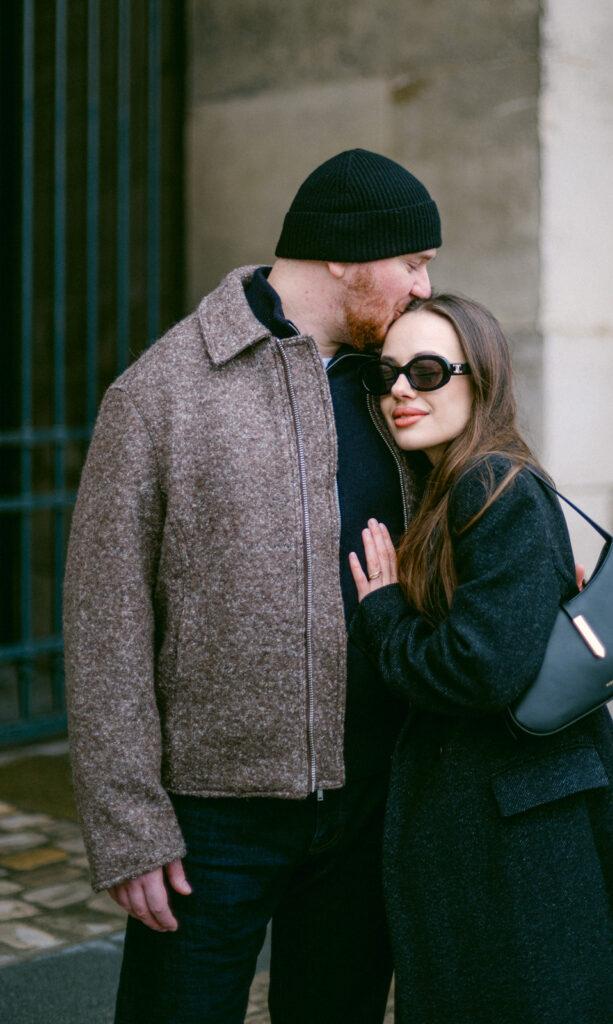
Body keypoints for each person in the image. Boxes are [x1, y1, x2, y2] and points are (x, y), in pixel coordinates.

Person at [63, 148, 441, 1024]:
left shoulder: (403, 387)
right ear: (344, 254)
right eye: (413, 263)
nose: (425, 287)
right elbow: (104, 622)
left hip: (373, 797)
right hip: (211, 824)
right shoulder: (159, 395)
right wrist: (130, 825)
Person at [348, 293, 613, 1024]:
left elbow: (478, 668)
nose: (401, 390)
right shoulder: (455, 484)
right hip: (517, 813)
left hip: (523, 829)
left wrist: (382, 612)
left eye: (429, 370)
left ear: (482, 378)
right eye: (388, 375)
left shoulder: (489, 485)